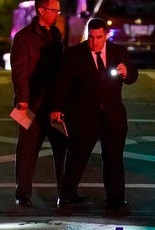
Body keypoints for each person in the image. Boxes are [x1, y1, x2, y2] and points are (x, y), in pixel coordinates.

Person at [50, 18, 138, 209]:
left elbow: (133, 74)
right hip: (83, 116)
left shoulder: (118, 52)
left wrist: (126, 73)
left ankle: (116, 198)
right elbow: (62, 83)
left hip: (112, 116)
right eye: (91, 37)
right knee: (76, 157)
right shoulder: (74, 54)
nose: (94, 41)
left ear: (105, 35)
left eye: (98, 37)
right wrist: (56, 108)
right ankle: (66, 195)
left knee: (114, 159)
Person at [10, 0, 69, 207]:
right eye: (54, 10)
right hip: (32, 104)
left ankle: (65, 192)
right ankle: (23, 193)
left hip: (54, 104)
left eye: (58, 10)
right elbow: (20, 71)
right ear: (41, 10)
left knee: (62, 149)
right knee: (27, 150)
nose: (57, 14)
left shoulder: (55, 34)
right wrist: (22, 99)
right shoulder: (24, 37)